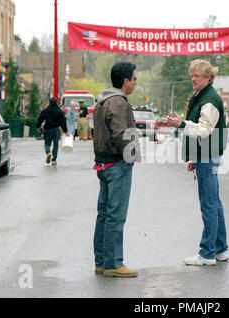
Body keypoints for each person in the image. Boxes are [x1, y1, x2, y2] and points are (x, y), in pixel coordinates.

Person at [167, 59, 229, 266]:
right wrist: (195, 155)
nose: (193, 79)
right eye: (192, 75)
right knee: (215, 204)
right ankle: (220, 249)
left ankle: (207, 253)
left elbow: (204, 130)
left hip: (208, 155)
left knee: (209, 205)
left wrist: (182, 124)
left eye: (198, 76)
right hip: (206, 154)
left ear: (208, 77)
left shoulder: (209, 99)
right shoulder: (204, 95)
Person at [93, 62, 140, 278]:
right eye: (134, 78)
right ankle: (113, 264)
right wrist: (131, 158)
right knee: (116, 216)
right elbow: (121, 135)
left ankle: (102, 262)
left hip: (103, 163)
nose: (135, 82)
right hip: (117, 164)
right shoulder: (119, 103)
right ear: (125, 81)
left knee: (104, 214)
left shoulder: (102, 101)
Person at [36, 97, 70, 166]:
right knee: (55, 145)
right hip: (56, 130)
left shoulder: (46, 110)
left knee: (47, 143)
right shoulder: (59, 111)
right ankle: (54, 160)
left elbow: (40, 118)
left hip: (48, 130)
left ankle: (48, 152)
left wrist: (38, 126)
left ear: (49, 102)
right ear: (56, 102)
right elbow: (63, 121)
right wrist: (66, 131)